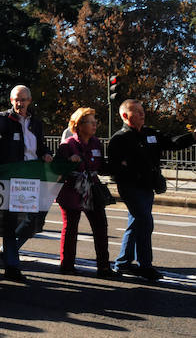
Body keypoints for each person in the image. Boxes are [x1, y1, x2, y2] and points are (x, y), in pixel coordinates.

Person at [107, 99, 196, 281]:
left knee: (136, 223)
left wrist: (193, 136)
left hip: (148, 187)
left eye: (142, 110)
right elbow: (114, 167)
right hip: (131, 188)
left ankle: (123, 263)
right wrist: (130, 169)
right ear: (125, 116)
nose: (142, 114)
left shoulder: (150, 133)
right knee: (146, 223)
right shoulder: (120, 138)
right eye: (137, 111)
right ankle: (145, 266)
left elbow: (172, 142)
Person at [0, 85, 53, 282]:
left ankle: (8, 250)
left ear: (29, 100)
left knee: (36, 217)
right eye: (16, 100)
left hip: (33, 176)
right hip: (13, 178)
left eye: (23, 99)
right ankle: (12, 265)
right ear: (11, 101)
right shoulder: (6, 118)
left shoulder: (36, 122)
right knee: (10, 222)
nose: (19, 103)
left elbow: (41, 144)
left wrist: (47, 153)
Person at [55, 108, 113, 277]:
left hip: (92, 188)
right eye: (90, 121)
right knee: (71, 227)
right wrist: (68, 162)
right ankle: (67, 265)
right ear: (78, 125)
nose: (95, 124)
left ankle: (104, 267)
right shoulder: (68, 145)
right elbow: (56, 167)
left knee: (101, 226)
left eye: (95, 121)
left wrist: (120, 166)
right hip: (72, 188)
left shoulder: (96, 143)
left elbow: (101, 166)